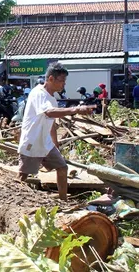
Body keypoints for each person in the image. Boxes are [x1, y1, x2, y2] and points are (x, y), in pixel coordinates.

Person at [17, 63, 96, 201]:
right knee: (23, 176)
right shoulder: (38, 93)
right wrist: (75, 110)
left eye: (65, 81)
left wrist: (55, 144)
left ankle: (63, 200)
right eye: (62, 81)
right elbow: (49, 112)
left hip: (45, 143)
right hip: (32, 141)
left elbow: (51, 123)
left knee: (62, 167)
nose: (63, 84)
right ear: (51, 79)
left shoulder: (52, 98)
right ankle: (11, 199)